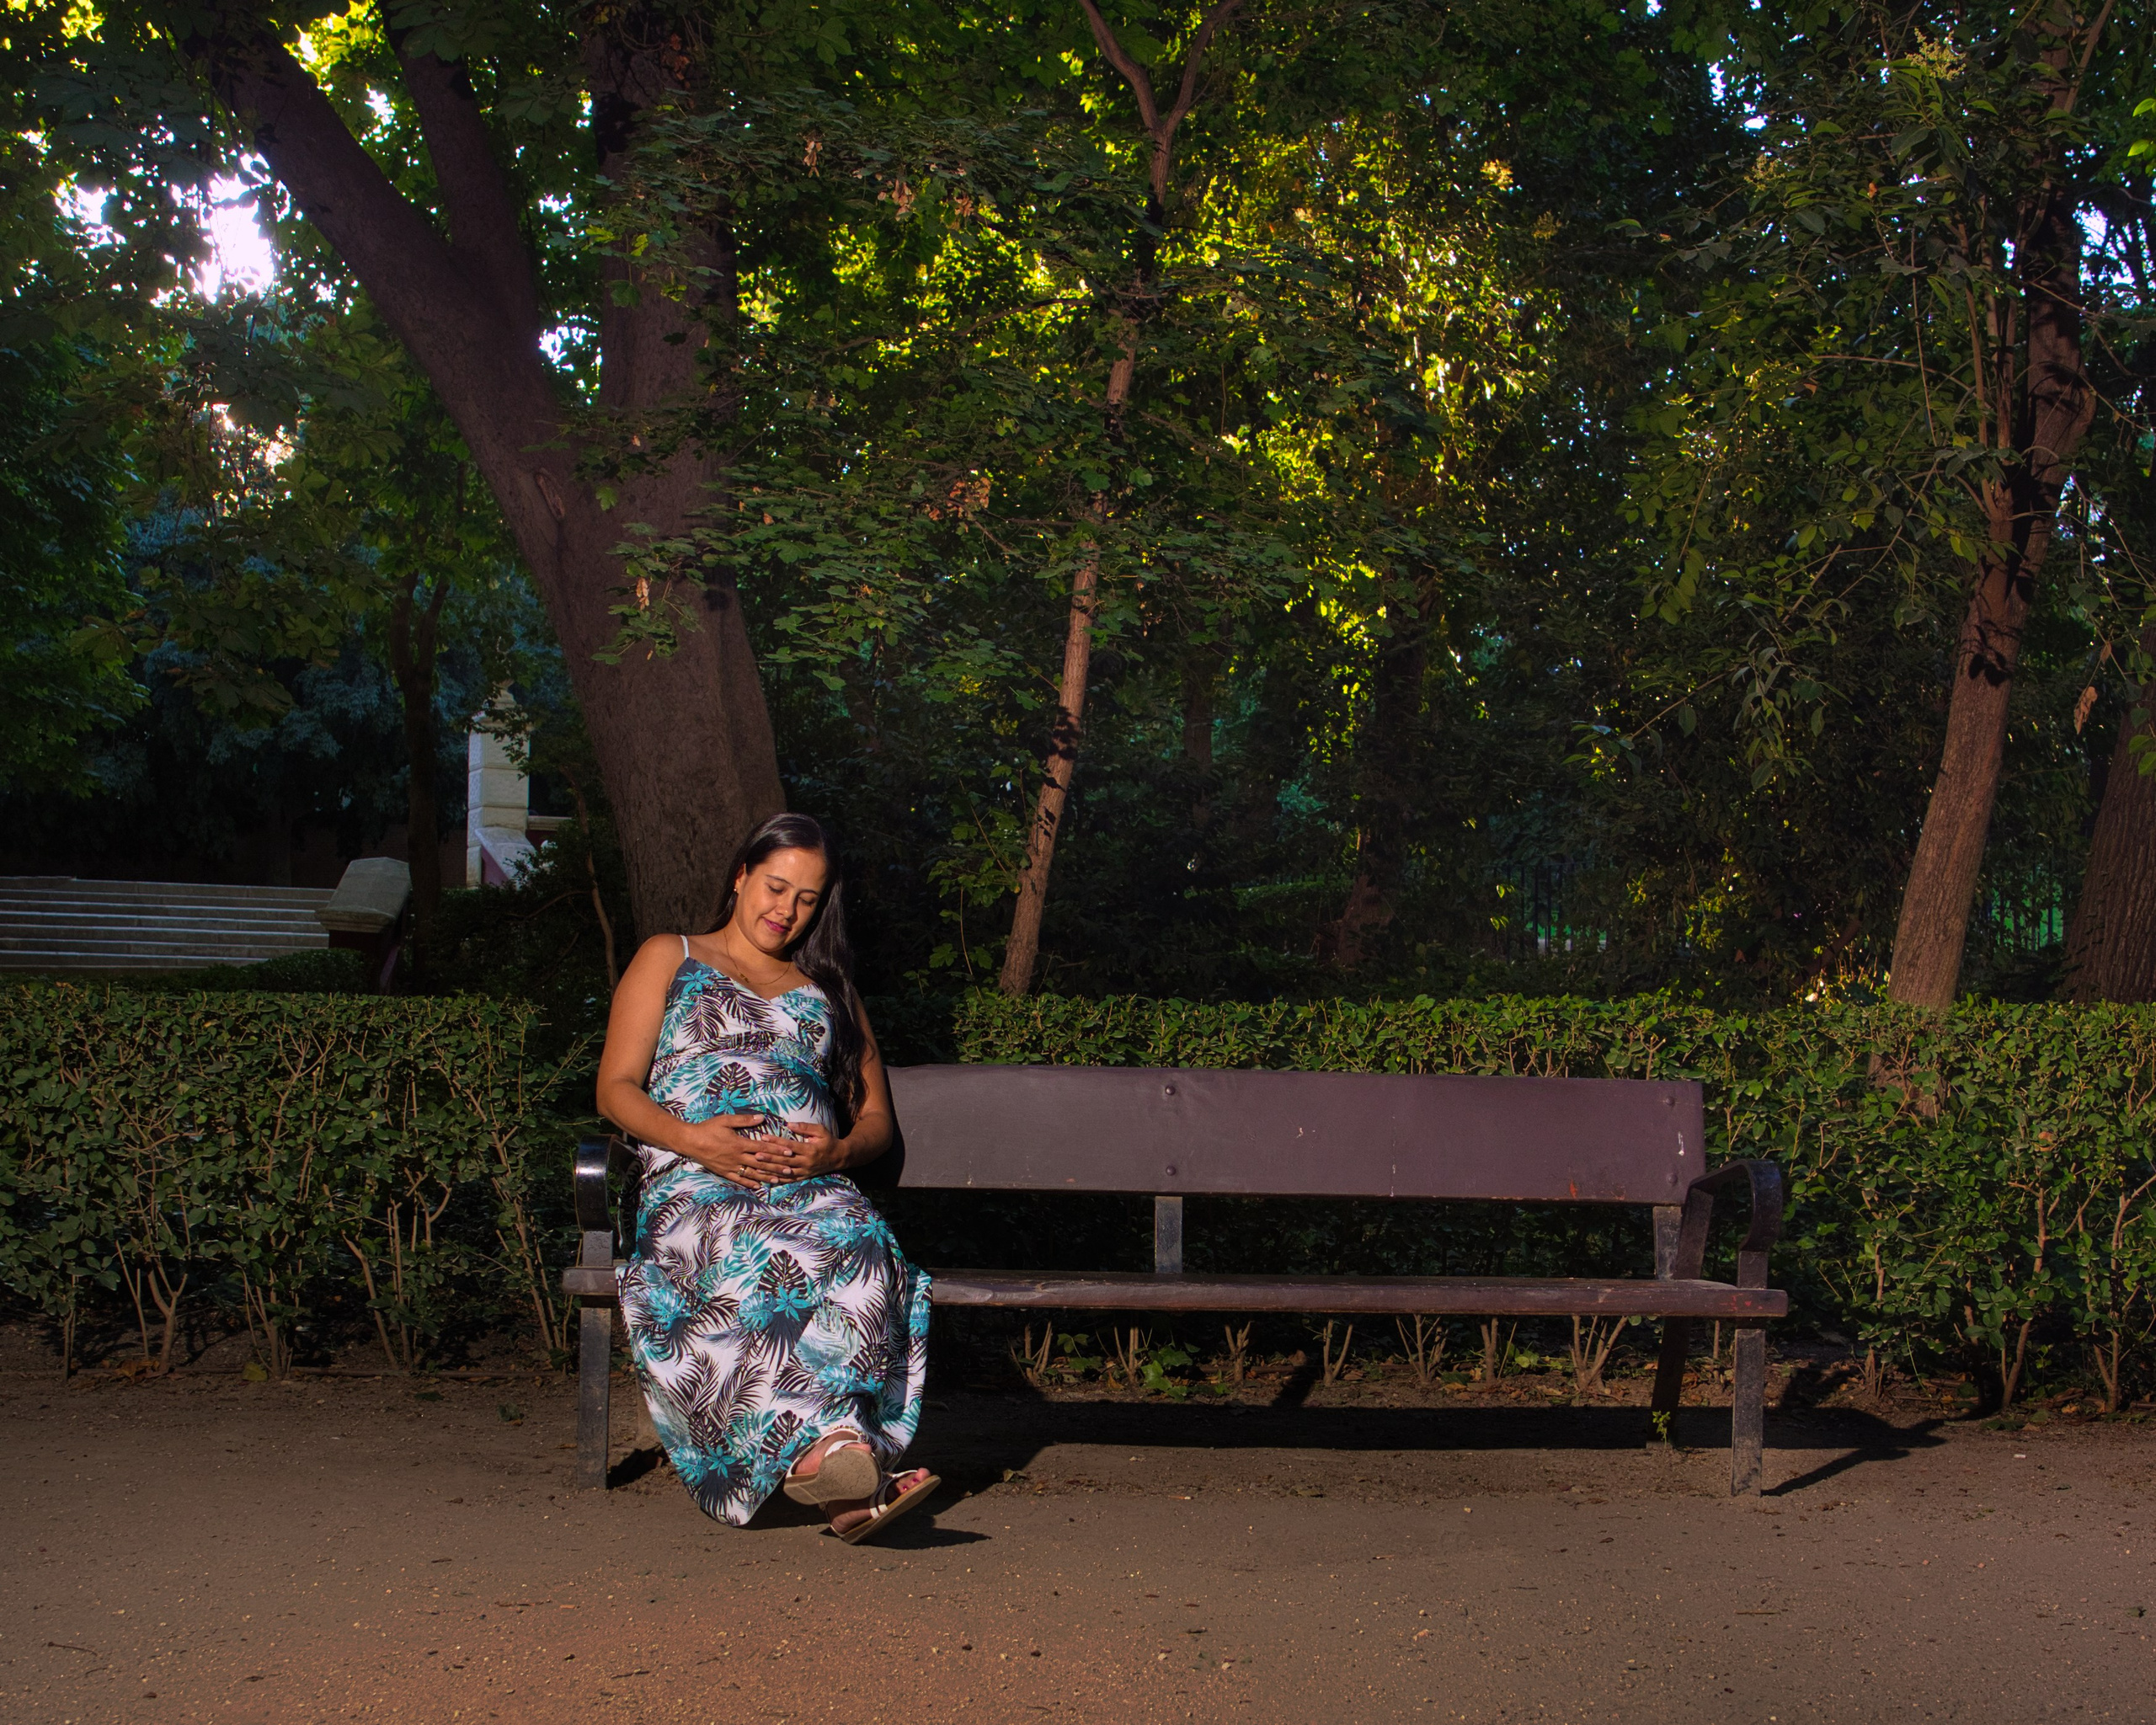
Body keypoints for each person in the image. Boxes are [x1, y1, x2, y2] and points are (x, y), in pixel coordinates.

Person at [595, 812, 937, 1542]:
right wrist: (695, 1141)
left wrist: (835, 1155)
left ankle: (839, 1478)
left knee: (860, 1241)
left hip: (809, 1184)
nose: (786, 910)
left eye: (807, 899)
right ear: (741, 876)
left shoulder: (831, 989)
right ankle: (842, 1464)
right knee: (755, 1246)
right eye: (776, 887)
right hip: (697, 1179)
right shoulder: (671, 955)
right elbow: (615, 1088)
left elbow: (877, 1120)